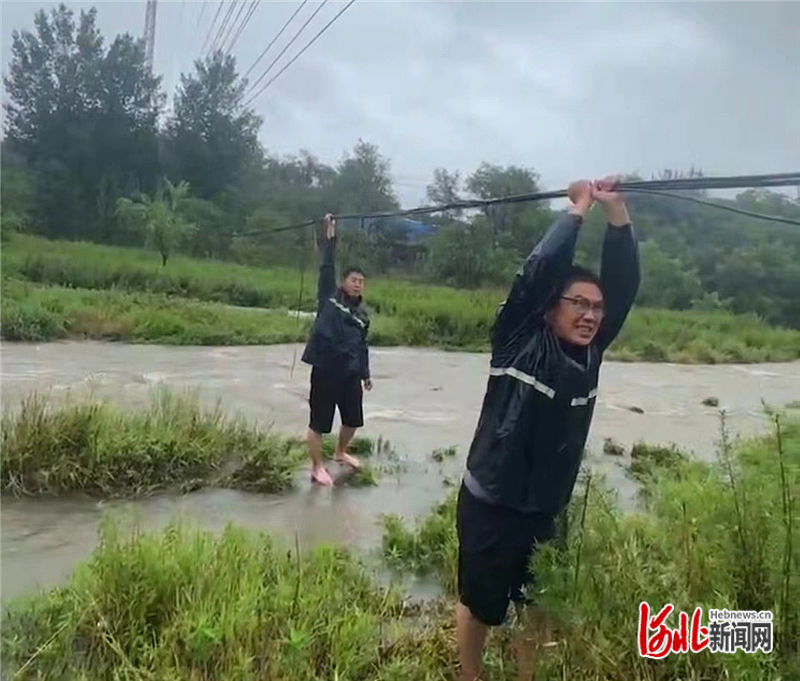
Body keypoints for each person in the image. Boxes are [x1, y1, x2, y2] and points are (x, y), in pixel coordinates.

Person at [455, 177, 641, 680]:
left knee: (537, 603)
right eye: (578, 303)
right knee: (480, 603)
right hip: (492, 498)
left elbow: (623, 288)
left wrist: (617, 214)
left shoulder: (592, 354)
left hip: (544, 506)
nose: (590, 314)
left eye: (596, 308)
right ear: (550, 306)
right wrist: (578, 210)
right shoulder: (516, 339)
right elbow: (536, 273)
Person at [301, 213, 372, 486]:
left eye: (361, 281)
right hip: (325, 370)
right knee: (319, 422)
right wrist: (330, 234)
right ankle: (317, 468)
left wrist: (365, 374)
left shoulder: (362, 316)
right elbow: (327, 266)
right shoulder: (329, 299)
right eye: (353, 279)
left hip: (350, 374)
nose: (357, 284)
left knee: (353, 420)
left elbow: (362, 346)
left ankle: (341, 451)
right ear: (344, 282)